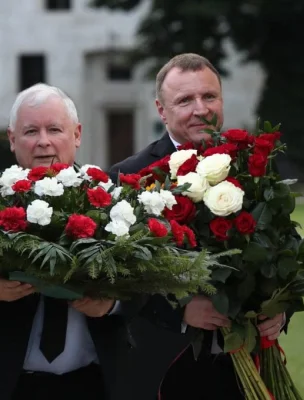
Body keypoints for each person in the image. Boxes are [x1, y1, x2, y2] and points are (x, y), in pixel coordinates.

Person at [110, 53, 288, 400]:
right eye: (185, 100)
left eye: (209, 96)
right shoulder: (129, 177)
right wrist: (180, 310)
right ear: (162, 110)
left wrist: (281, 309)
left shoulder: (254, 165)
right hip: (164, 369)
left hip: (249, 363)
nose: (201, 109)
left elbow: (283, 247)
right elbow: (117, 278)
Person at [1, 83, 186, 400]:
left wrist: (112, 303)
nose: (43, 141)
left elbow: (146, 284)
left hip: (96, 383)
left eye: (55, 129)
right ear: (12, 139)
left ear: (77, 134)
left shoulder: (112, 203)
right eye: (31, 131)